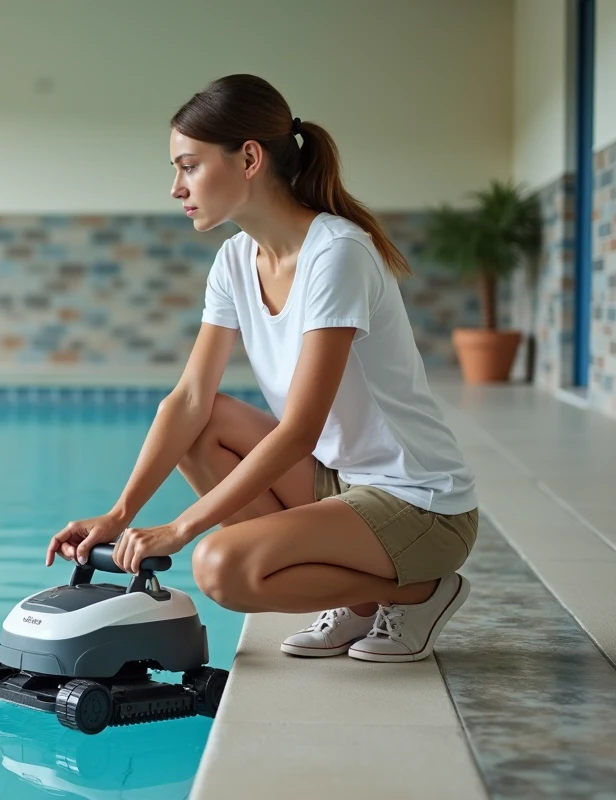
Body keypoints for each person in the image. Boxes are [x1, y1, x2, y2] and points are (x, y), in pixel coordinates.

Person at [45, 74, 478, 663]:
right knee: (201, 428)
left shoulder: (336, 254)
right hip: (338, 481)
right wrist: (121, 514)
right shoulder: (234, 259)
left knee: (222, 569)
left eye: (190, 166)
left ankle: (421, 592)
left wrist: (181, 529)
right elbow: (190, 400)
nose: (176, 187)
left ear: (249, 157)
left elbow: (300, 427)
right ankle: (356, 604)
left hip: (418, 503)